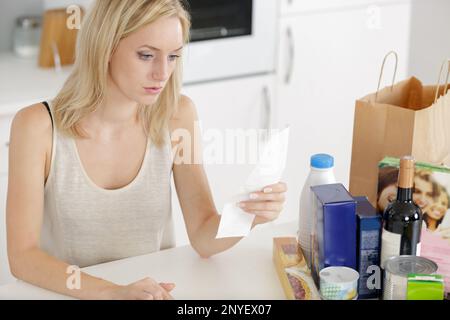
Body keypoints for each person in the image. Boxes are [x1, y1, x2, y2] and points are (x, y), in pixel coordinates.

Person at [6, 0, 287, 300]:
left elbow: (204, 234)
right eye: (146, 55)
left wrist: (249, 216)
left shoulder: (178, 116)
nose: (161, 73)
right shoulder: (37, 127)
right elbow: (23, 257)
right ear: (106, 47)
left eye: (173, 57)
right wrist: (113, 293)